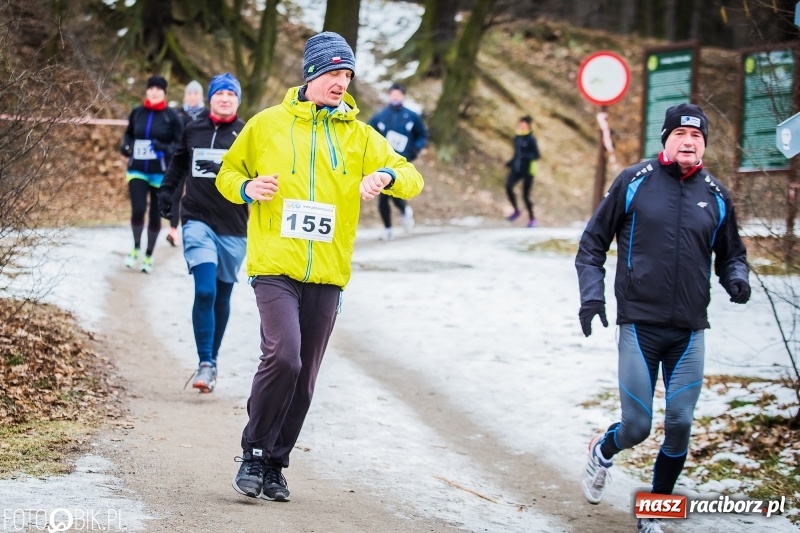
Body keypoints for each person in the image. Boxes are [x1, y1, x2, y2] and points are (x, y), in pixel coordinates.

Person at [215, 31, 424, 502]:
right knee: (283, 356)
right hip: (274, 264)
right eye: (333, 72)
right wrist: (248, 189)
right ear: (311, 75)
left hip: (327, 273)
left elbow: (412, 177)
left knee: (305, 377)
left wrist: (386, 175)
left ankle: (274, 463)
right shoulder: (267, 125)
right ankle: (252, 451)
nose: (341, 82)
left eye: (347, 74)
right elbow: (228, 173)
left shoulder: (360, 135)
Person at [574, 103, 750, 533]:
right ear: (666, 140)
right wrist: (591, 299)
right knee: (636, 426)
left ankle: (654, 511)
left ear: (704, 144)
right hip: (639, 323)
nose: (689, 142)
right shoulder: (634, 182)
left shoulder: (715, 193)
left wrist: (736, 279)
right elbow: (592, 245)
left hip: (689, 329)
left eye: (697, 137)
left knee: (681, 423)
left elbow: (732, 255)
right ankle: (603, 449)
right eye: (680, 135)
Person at [158, 74, 247, 393]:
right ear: (210, 98)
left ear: (238, 100)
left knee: (222, 295)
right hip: (197, 219)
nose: (224, 99)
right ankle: (205, 362)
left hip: (235, 226)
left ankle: (213, 362)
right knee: (205, 290)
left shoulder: (247, 133)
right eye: (219, 93)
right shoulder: (193, 128)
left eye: (230, 94)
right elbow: (179, 162)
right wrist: (167, 191)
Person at [120, 75, 183, 273]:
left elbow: (180, 145)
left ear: (164, 93)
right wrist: (126, 145)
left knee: (155, 215)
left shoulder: (171, 116)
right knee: (138, 209)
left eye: (159, 89)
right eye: (151, 88)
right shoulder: (137, 113)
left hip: (160, 173)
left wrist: (163, 147)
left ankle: (149, 254)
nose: (154, 92)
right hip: (137, 170)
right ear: (146, 91)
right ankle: (136, 247)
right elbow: (129, 133)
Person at [368, 82, 427, 240]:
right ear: (389, 96)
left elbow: (422, 135)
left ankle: (404, 211)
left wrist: (415, 149)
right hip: (384, 161)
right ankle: (387, 228)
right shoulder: (381, 116)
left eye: (398, 95)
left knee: (396, 194)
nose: (395, 97)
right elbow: (368, 133)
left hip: (403, 162)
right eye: (392, 95)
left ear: (403, 96)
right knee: (383, 196)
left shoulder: (412, 116)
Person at [166, 80, 208, 248]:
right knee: (175, 195)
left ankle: (201, 229)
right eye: (189, 93)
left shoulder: (207, 115)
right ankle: (173, 231)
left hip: (200, 161)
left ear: (201, 96)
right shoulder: (177, 114)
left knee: (199, 194)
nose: (192, 96)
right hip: (181, 159)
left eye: (195, 93)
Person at [505, 115, 540, 228]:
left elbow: (536, 155)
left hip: (528, 170)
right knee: (508, 186)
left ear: (528, 125)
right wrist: (511, 162)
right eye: (520, 123)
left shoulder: (531, 138)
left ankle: (532, 218)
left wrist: (526, 157)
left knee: (525, 196)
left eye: (524, 124)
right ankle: (516, 210)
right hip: (516, 168)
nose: (521, 125)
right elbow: (516, 153)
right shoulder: (517, 137)